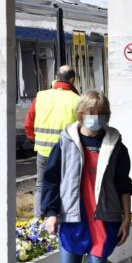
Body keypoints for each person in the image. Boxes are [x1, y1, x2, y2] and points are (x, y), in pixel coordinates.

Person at [39, 90, 132, 263]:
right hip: (72, 219)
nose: (95, 118)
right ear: (81, 114)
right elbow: (51, 180)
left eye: (101, 114)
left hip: (104, 220)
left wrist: (126, 218)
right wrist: (51, 213)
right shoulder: (66, 142)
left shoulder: (115, 145)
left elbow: (124, 184)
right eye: (91, 113)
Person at [26, 65, 80, 218]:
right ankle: (60, 218)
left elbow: (29, 122)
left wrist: (34, 139)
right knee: (65, 184)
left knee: (41, 185)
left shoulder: (41, 96)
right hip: (67, 152)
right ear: (72, 80)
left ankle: (38, 219)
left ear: (56, 78)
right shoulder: (77, 100)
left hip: (43, 150)